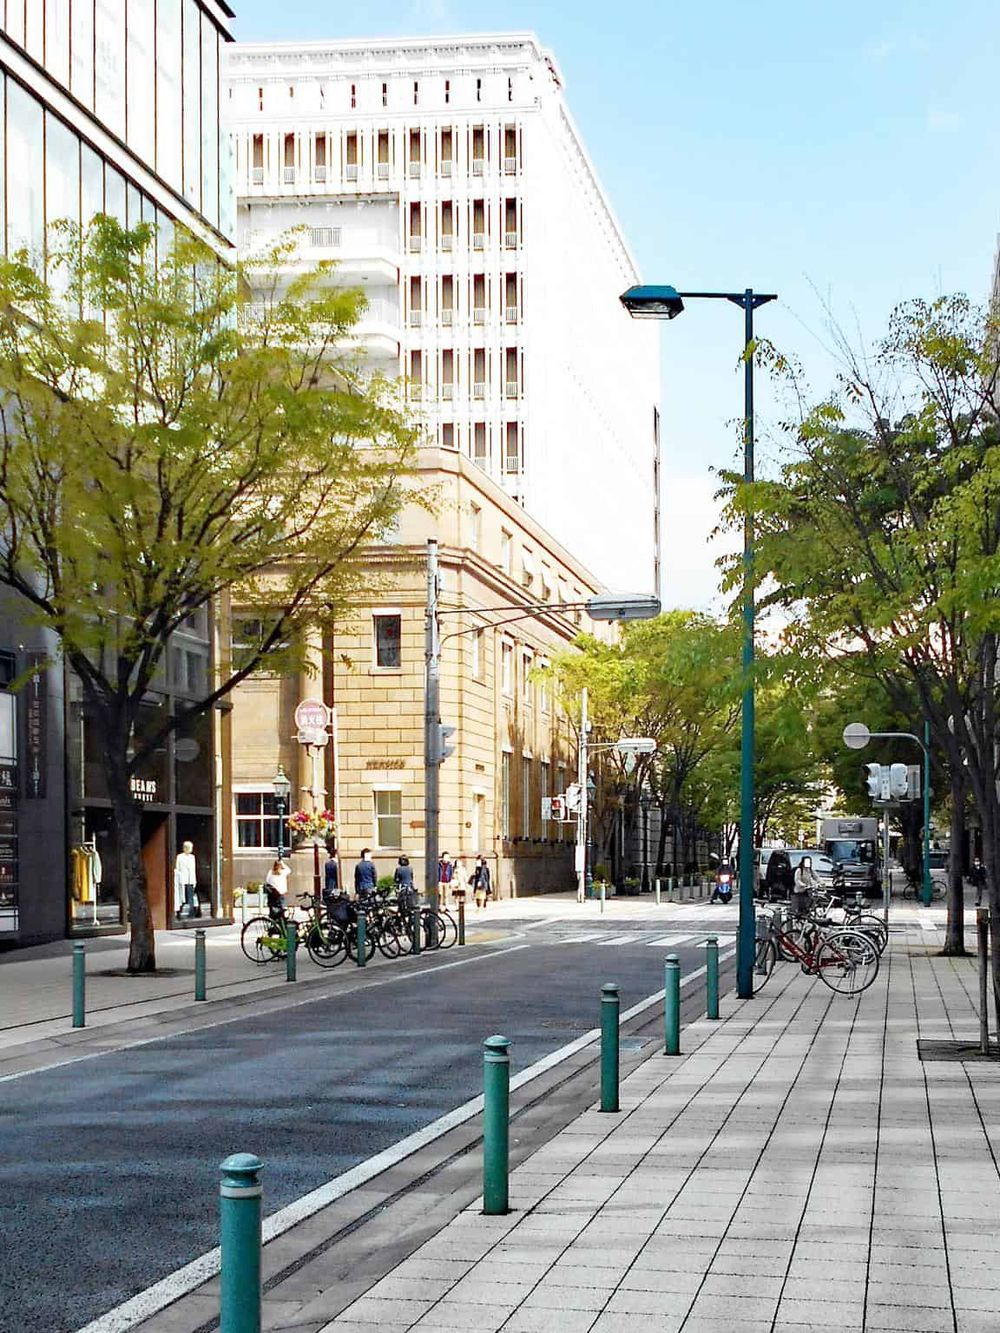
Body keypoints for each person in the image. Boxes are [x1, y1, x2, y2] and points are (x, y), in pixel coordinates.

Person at [174, 840, 199, 918]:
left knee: (190, 897)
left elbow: (193, 869)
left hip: (190, 880)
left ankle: (191, 913)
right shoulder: (179, 857)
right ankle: (179, 912)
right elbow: (177, 868)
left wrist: (194, 881)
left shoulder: (192, 857)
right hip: (182, 880)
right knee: (181, 897)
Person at [322, 847, 339, 913]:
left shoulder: (327, 864)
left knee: (329, 899)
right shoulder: (336, 864)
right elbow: (337, 876)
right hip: (334, 884)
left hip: (328, 884)